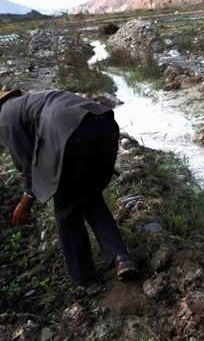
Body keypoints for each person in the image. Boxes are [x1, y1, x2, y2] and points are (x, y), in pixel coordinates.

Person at [0, 89, 137, 286]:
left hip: (70, 134)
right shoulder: (32, 101)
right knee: (90, 197)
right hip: (103, 123)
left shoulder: (4, 117)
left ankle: (87, 281)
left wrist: (26, 200)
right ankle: (121, 258)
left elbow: (27, 162)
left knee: (66, 212)